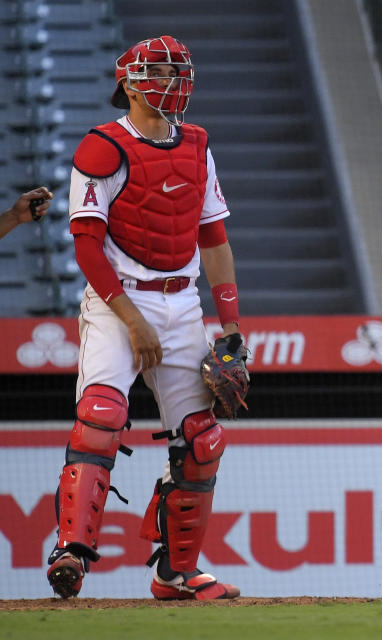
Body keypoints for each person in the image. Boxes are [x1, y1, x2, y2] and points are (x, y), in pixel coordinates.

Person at [45, 35, 244, 601]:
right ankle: (71, 554)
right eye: (159, 70)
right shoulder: (101, 147)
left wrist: (230, 325)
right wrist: (133, 320)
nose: (174, 80)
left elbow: (214, 236)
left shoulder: (199, 144)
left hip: (182, 302)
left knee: (202, 440)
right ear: (128, 83)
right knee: (101, 416)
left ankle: (175, 574)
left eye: (179, 69)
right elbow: (85, 244)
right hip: (117, 301)